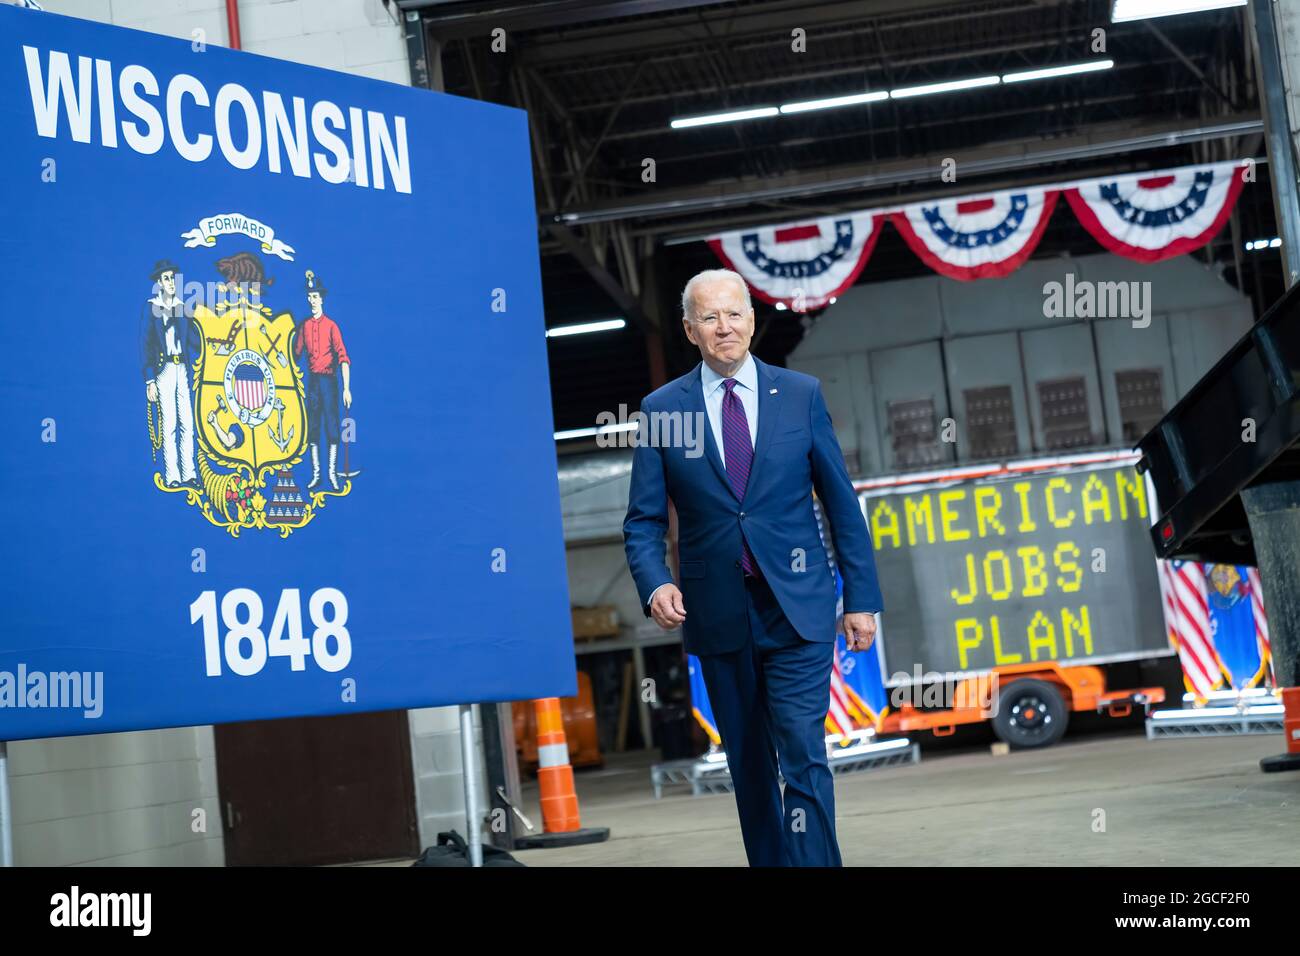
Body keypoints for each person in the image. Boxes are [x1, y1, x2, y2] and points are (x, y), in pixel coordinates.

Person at [623, 268, 883, 867]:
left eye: (735, 314)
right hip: (719, 614)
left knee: (802, 750)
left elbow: (841, 501)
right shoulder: (664, 410)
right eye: (710, 318)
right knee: (748, 762)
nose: (725, 327)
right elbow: (643, 521)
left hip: (797, 609)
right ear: (690, 330)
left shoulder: (800, 395)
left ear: (752, 319)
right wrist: (655, 581)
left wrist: (861, 598)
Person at [141, 259, 201, 488]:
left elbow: (194, 341)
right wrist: (149, 380)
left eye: (173, 277)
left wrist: (215, 343)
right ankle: (173, 475)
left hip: (182, 369)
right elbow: (144, 344)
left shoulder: (182, 308)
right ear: (159, 283)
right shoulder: (151, 308)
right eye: (166, 278)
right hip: (163, 370)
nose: (171, 282)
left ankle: (189, 473)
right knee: (170, 424)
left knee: (187, 422)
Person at [294, 270, 352, 491]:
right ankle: (317, 474)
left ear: (322, 298)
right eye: (309, 296)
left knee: (332, 428)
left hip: (329, 382)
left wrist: (347, 388)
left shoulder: (331, 326)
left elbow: (343, 357)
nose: (311, 300)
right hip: (313, 384)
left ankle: (332, 474)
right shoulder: (305, 326)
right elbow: (295, 354)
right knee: (313, 428)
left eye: (315, 296)